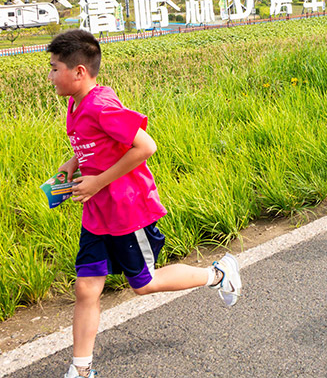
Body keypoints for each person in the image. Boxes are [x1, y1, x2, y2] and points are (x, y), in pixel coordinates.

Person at [47, 29, 242, 378]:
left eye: (54, 68)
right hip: (97, 213)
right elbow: (98, 144)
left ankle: (218, 274)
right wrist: (73, 163)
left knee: (144, 284)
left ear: (79, 71)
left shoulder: (101, 106)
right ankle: (81, 369)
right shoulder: (76, 104)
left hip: (126, 210)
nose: (50, 76)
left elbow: (145, 146)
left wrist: (97, 181)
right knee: (86, 287)